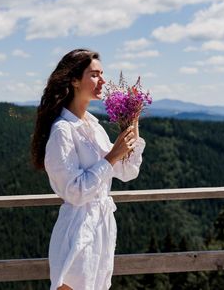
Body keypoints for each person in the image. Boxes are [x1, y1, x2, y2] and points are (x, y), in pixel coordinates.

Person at [31, 49, 146, 290]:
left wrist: (133, 121)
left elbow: (127, 172)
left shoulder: (93, 126)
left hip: (101, 228)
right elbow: (74, 192)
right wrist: (112, 156)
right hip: (78, 231)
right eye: (94, 75)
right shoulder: (63, 130)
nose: (103, 81)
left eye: (102, 74)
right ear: (74, 80)